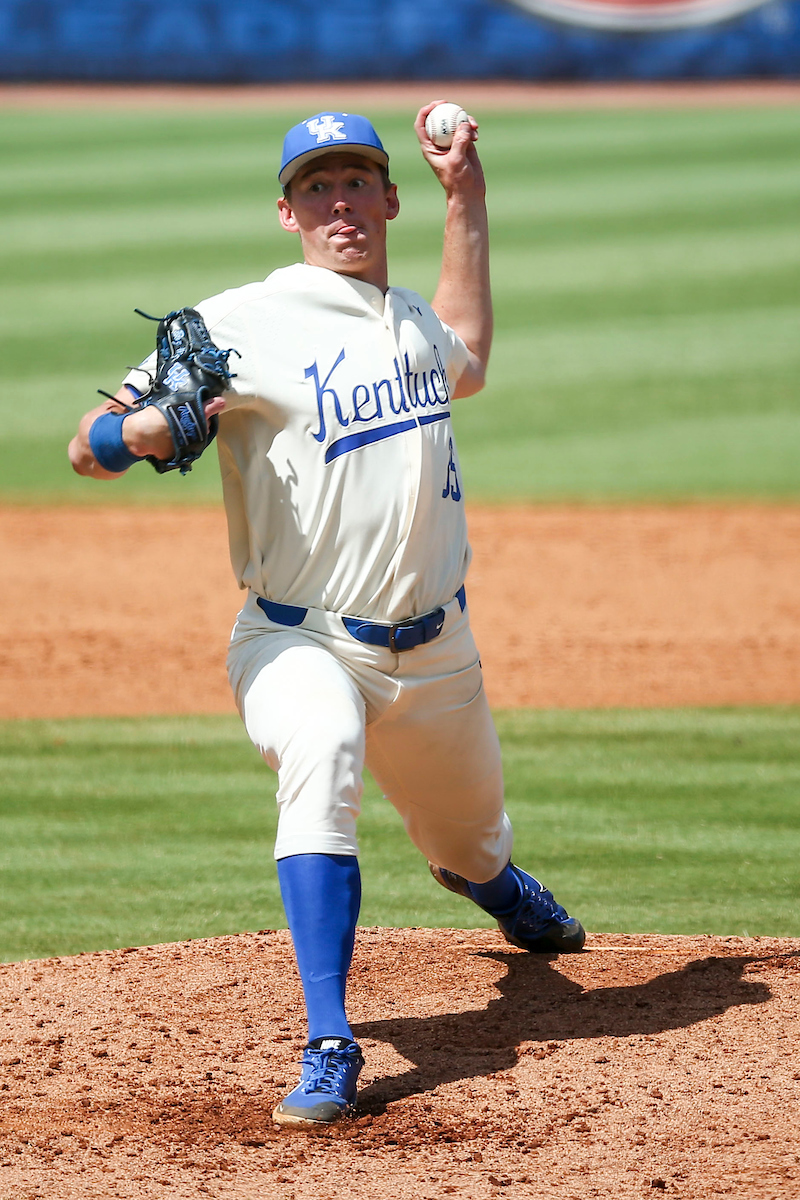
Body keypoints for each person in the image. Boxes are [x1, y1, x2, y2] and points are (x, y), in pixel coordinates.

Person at [68, 103, 585, 1129]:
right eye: (316, 186)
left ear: (386, 198)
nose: (337, 201)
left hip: (436, 657)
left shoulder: (408, 325)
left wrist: (466, 194)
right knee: (326, 748)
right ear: (286, 211)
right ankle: (329, 1039)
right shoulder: (238, 324)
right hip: (299, 641)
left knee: (469, 839)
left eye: (355, 181)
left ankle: (490, 883)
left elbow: (468, 351)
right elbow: (87, 445)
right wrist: (140, 426)